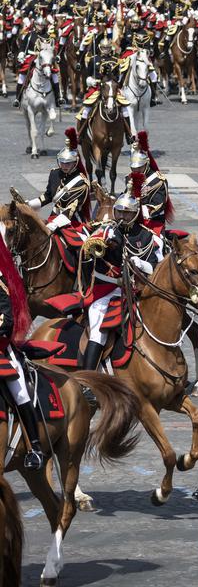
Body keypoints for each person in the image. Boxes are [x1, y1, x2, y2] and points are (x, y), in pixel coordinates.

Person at [79, 172, 165, 371]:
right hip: (107, 291)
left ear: (135, 213)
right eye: (119, 212)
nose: (122, 217)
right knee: (98, 331)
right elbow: (87, 259)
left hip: (136, 290)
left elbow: (154, 267)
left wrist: (138, 263)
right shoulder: (106, 231)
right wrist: (96, 250)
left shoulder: (146, 237)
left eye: (127, 213)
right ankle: (88, 377)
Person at [0, 228, 46, 470]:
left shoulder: (0, 281)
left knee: (20, 393)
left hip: (1, 348)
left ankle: (34, 447)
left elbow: (5, 320)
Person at [27, 128, 92, 255]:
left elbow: (70, 210)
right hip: (54, 216)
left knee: (83, 251)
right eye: (62, 162)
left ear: (75, 163)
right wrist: (28, 205)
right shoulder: (54, 173)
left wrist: (52, 226)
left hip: (73, 222)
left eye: (68, 163)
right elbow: (48, 196)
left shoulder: (81, 183)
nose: (64, 166)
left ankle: (84, 274)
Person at [13, 16, 63, 109]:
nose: (40, 27)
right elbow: (23, 46)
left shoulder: (48, 36)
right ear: (35, 25)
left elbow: (53, 49)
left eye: (42, 25)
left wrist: (55, 56)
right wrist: (21, 53)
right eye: (38, 25)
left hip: (45, 59)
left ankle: (58, 98)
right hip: (31, 57)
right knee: (22, 75)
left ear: (45, 26)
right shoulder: (30, 35)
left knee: (54, 75)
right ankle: (18, 98)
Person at [129, 132, 171, 235]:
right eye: (133, 169)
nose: (136, 171)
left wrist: (136, 210)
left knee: (158, 246)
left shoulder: (158, 181)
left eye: (139, 168)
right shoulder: (130, 179)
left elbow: (158, 205)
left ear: (146, 164)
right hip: (132, 220)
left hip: (153, 222)